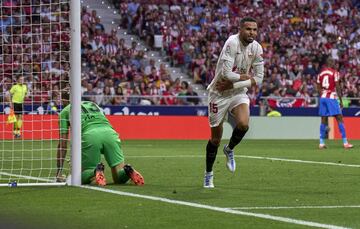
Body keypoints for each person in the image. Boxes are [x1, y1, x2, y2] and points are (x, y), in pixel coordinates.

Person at [203, 17, 264, 188]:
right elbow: (226, 73)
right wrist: (244, 77)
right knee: (215, 139)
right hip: (219, 93)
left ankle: (229, 149)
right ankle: (208, 174)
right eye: (248, 29)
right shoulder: (231, 43)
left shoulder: (257, 48)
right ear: (240, 29)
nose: (252, 32)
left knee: (244, 124)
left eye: (254, 29)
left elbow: (259, 78)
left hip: (237, 91)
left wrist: (238, 83)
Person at [56, 94, 144, 186]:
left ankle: (95, 171)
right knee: (118, 176)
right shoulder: (93, 104)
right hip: (111, 134)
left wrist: (59, 171)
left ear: (63, 100)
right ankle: (128, 171)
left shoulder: (65, 111)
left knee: (80, 177)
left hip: (90, 136)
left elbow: (62, 144)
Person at [317, 58, 353, 149]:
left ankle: (321, 143)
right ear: (330, 63)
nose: (335, 64)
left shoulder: (320, 73)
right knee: (339, 118)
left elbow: (318, 87)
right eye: (333, 62)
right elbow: (337, 87)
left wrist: (322, 95)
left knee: (323, 119)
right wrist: (340, 100)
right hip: (331, 97)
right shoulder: (335, 73)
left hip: (323, 98)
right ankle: (345, 143)